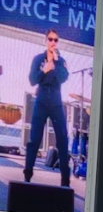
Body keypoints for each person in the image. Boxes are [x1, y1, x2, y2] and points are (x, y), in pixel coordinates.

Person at [24, 29, 70, 186]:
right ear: (46, 40)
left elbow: (63, 78)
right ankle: (27, 176)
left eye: (56, 40)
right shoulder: (38, 59)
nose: (53, 42)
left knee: (62, 139)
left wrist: (55, 64)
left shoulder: (61, 61)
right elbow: (32, 80)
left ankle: (65, 180)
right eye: (50, 39)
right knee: (34, 139)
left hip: (56, 103)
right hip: (41, 102)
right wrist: (44, 70)